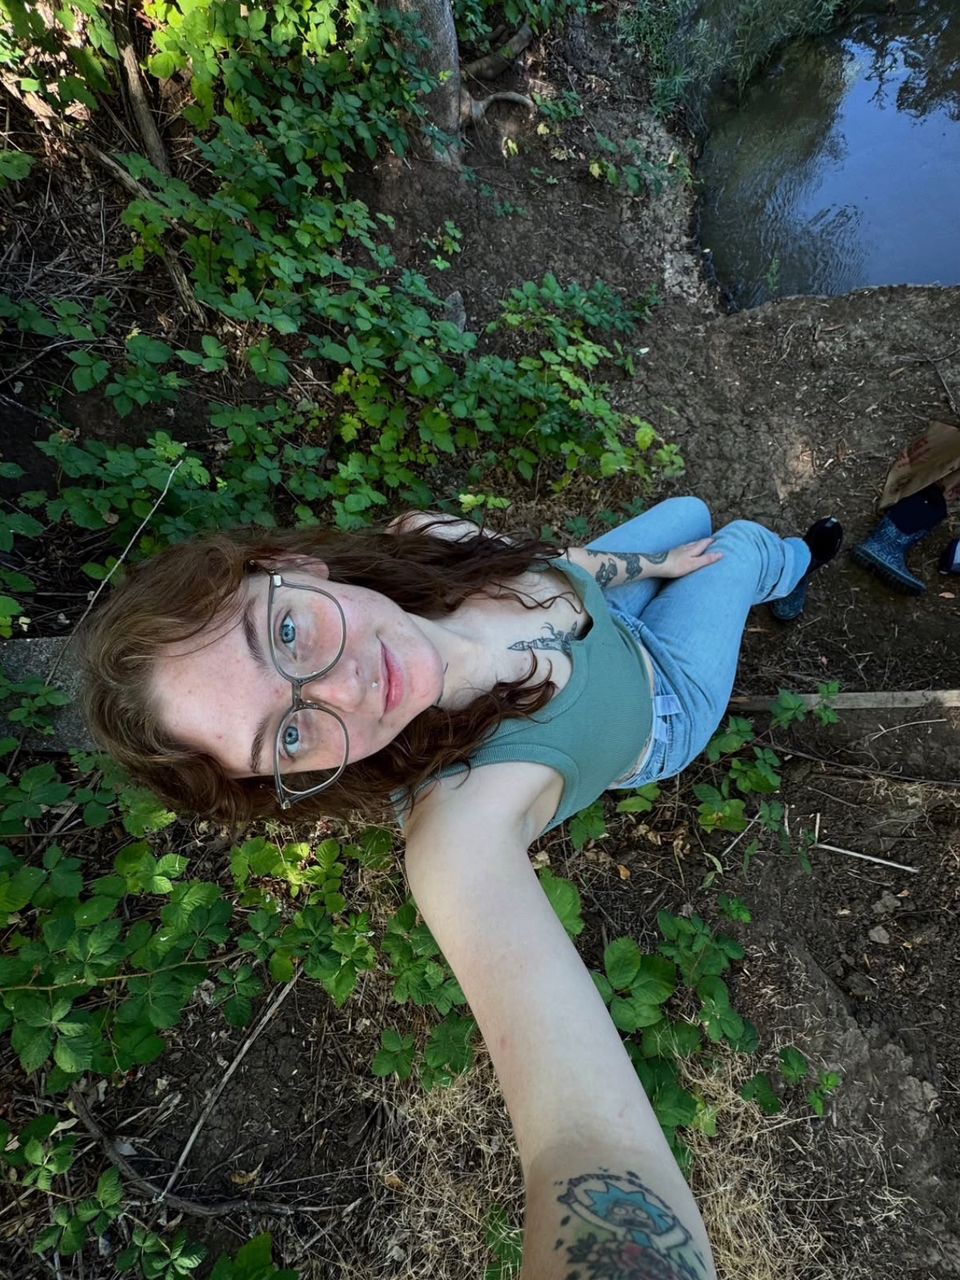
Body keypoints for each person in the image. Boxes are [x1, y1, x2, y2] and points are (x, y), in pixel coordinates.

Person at [82, 495, 842, 1279]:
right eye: (290, 732)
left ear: (293, 568)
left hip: (611, 616)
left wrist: (656, 566)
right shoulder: (459, 830)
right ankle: (794, 568)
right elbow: (587, 1142)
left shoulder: (428, 542)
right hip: (666, 691)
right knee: (740, 544)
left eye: (285, 635)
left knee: (688, 514)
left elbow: (561, 567)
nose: (344, 690)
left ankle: (711, 566)